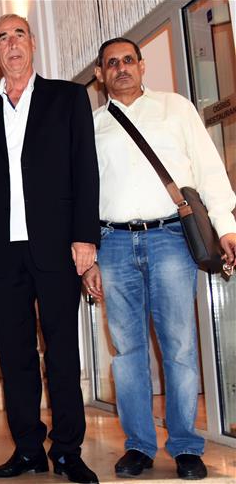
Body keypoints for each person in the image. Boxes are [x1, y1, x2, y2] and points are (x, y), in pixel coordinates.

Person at [83, 37, 236, 481]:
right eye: (112, 63)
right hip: (113, 243)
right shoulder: (93, 126)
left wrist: (227, 226)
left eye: (128, 60)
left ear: (142, 65)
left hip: (171, 238)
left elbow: (209, 170)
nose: (122, 68)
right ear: (100, 74)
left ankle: (186, 445)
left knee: (180, 347)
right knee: (127, 351)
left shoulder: (176, 109)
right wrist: (89, 255)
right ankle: (139, 445)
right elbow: (83, 195)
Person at [0, 14, 100, 484]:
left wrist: (85, 236)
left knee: (62, 353)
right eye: (2, 38)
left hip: (59, 248)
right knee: (14, 355)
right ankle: (27, 450)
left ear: (33, 43)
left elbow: (85, 170)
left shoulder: (68, 98)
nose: (12, 43)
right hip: (2, 253)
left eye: (19, 34)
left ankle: (67, 450)